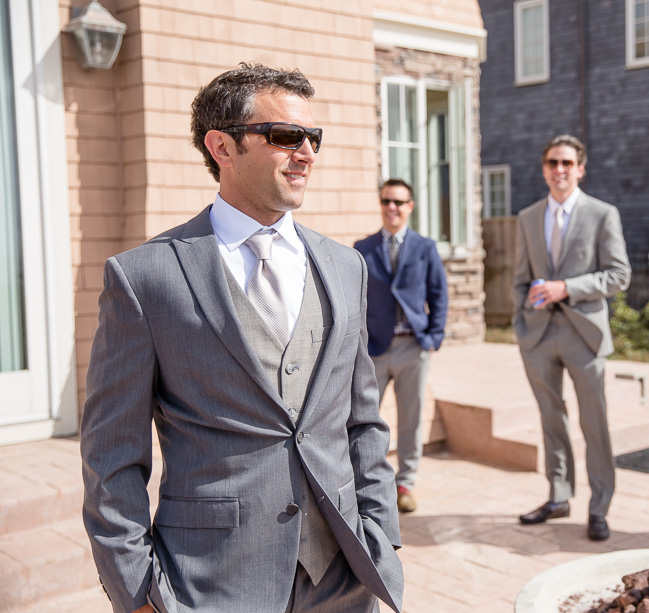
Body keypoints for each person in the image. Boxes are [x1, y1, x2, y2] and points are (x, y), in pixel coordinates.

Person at [80, 63, 403, 613]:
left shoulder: (345, 266)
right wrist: (138, 594)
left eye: (313, 138)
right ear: (222, 147)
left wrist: (381, 534)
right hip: (212, 581)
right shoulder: (146, 278)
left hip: (344, 576)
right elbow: (111, 458)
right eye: (285, 137)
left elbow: (363, 420)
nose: (306, 153)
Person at [512, 134, 631, 541]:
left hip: (585, 335)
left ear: (580, 168)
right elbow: (520, 278)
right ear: (544, 168)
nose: (558, 170)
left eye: (566, 163)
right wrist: (522, 318)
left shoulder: (602, 214)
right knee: (551, 420)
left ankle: (599, 508)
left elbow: (619, 275)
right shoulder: (527, 217)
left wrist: (567, 287)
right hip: (539, 335)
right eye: (551, 162)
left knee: (594, 423)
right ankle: (559, 495)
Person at [354, 179, 448, 513]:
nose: (391, 207)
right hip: (375, 349)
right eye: (386, 201)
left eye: (398, 202)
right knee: (365, 417)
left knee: (411, 418)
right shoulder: (362, 248)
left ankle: (405, 482)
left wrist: (434, 336)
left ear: (410, 206)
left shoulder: (425, 247)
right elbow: (355, 300)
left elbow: (438, 294)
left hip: (413, 347)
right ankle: (367, 480)